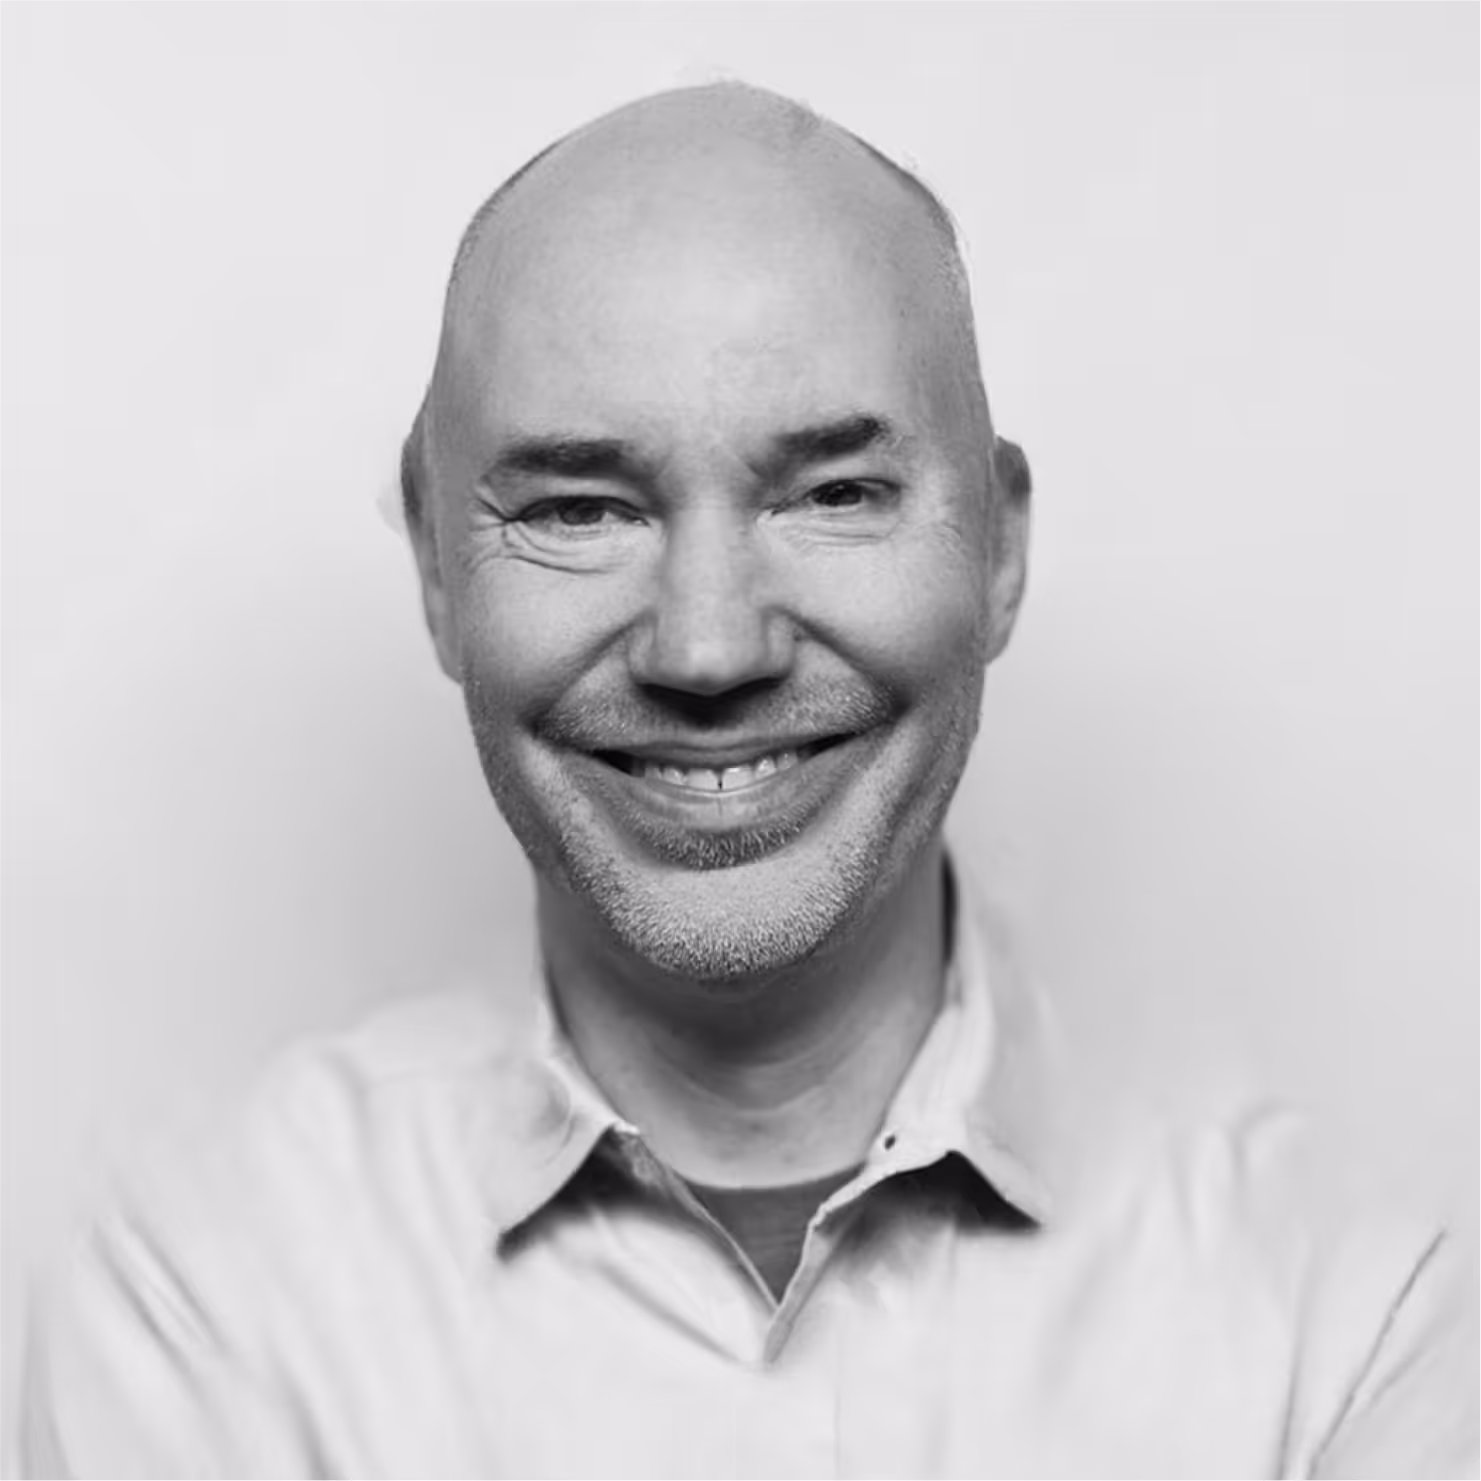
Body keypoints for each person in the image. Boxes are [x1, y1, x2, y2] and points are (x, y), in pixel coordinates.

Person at [18, 83, 1476, 1479]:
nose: (708, 647)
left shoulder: (1359, 1313)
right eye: (578, 508)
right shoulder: (206, 1297)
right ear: (436, 573)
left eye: (837, 493)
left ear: (1001, 552)